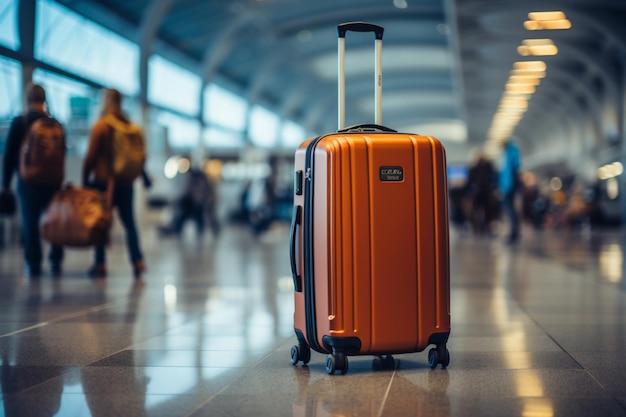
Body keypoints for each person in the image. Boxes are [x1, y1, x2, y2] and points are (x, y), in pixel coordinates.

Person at [82, 88, 146, 280]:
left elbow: (90, 157)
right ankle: (138, 261)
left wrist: (85, 181)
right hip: (125, 182)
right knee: (130, 224)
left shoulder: (102, 126)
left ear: (105, 101)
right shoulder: (130, 127)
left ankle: (100, 263)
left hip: (103, 182)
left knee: (101, 221)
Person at [1, 83, 64, 278]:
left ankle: (34, 263)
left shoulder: (20, 122)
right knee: (54, 219)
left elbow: (10, 154)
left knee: (30, 221)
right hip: (53, 181)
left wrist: (5, 184)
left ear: (28, 99)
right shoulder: (56, 124)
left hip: (28, 181)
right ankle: (55, 259)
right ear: (44, 100)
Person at [498, 139, 522, 244]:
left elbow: (512, 172)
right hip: (507, 186)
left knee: (510, 211)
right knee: (509, 211)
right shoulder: (508, 154)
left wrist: (508, 187)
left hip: (509, 187)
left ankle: (514, 234)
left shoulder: (510, 154)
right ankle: (513, 233)